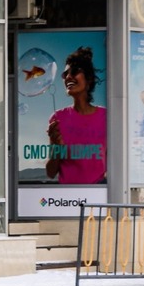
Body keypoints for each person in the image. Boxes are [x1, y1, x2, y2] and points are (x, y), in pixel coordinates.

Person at [46, 46, 107, 184]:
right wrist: (56, 147)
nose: (68, 77)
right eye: (64, 74)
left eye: (74, 72)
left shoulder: (106, 117)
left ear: (89, 79)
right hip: (67, 199)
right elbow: (50, 173)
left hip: (98, 197)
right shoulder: (57, 118)